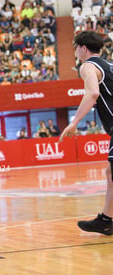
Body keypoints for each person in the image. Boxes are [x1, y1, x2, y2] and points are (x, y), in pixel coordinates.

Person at [60, 31, 113, 235]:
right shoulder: (109, 65)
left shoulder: (88, 66)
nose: (76, 52)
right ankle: (106, 220)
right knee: (110, 173)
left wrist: (74, 122)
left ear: (83, 48)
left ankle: (106, 220)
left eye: (76, 48)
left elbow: (92, 93)